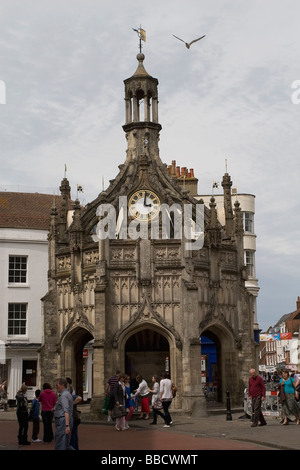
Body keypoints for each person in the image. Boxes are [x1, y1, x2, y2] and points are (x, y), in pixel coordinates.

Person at [54, 377, 74, 450]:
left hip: (63, 420)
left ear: (62, 385)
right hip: (64, 420)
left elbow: (66, 411)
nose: (56, 387)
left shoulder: (64, 395)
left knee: (60, 444)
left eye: (57, 385)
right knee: (65, 444)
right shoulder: (67, 394)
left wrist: (67, 425)